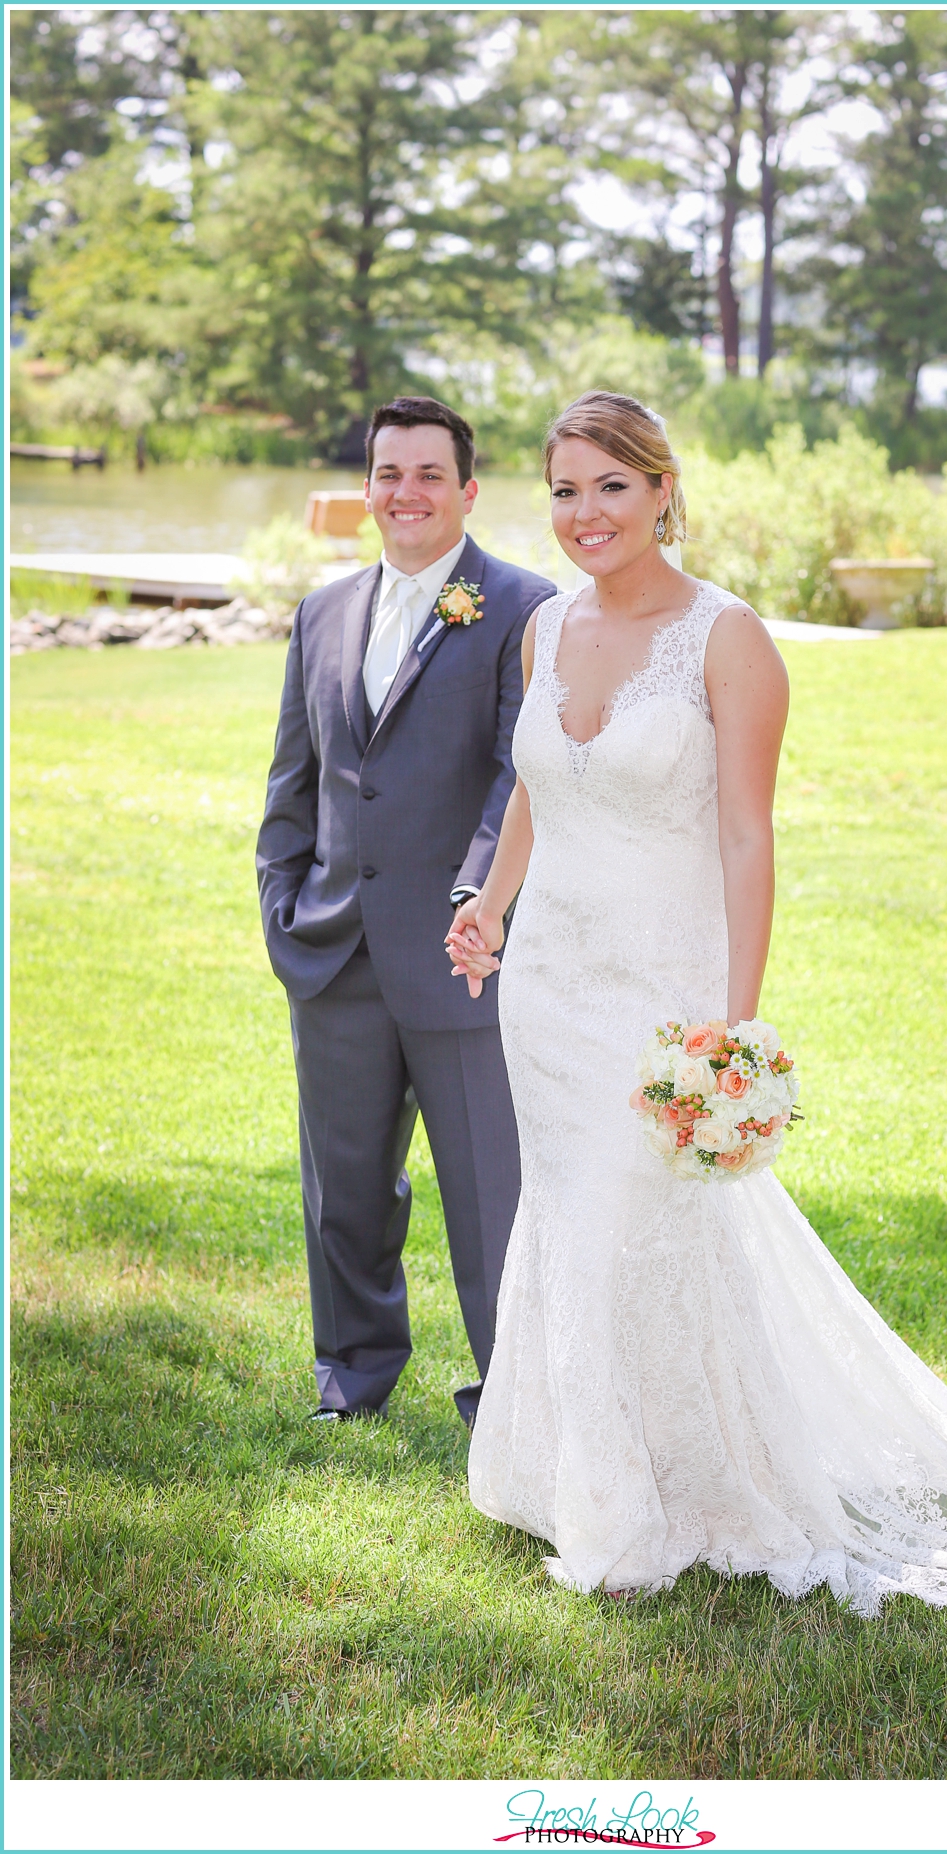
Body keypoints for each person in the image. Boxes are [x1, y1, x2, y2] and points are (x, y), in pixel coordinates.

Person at [444, 390, 947, 1618]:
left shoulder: (727, 638)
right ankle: (574, 1475)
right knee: (572, 1225)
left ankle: (676, 1494)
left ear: (664, 490)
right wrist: (491, 901)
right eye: (566, 490)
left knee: (643, 1226)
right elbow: (538, 783)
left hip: (660, 996)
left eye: (612, 487)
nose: (586, 514)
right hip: (548, 991)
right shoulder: (543, 628)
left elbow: (746, 832)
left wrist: (735, 1027)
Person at [256, 396, 556, 1427]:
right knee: (343, 1191)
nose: (407, 493)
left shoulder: (525, 608)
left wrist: (482, 904)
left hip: (463, 953)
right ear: (367, 488)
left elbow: (519, 779)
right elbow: (294, 784)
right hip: (333, 952)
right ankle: (352, 1375)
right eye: (389, 473)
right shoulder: (324, 612)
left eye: (430, 474)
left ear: (468, 491)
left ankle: (510, 1399)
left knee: (490, 1198)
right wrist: (283, 907)